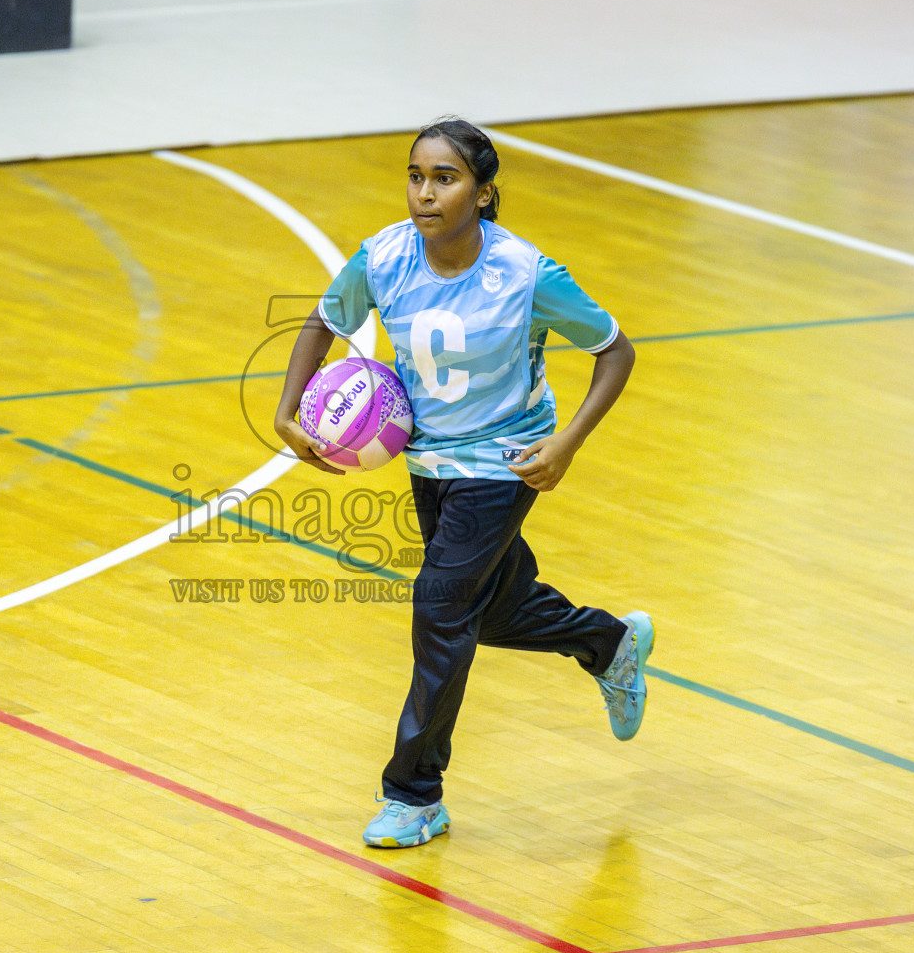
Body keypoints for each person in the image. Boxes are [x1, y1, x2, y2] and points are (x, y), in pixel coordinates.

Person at [273, 117, 653, 849]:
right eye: (416, 177)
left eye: (444, 179)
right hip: (428, 461)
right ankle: (607, 643)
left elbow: (615, 351)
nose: (425, 192)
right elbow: (322, 321)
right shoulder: (384, 257)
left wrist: (567, 443)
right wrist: (287, 411)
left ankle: (414, 795)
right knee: (491, 611)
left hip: (504, 461)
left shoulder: (527, 274)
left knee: (440, 610)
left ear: (483, 193)